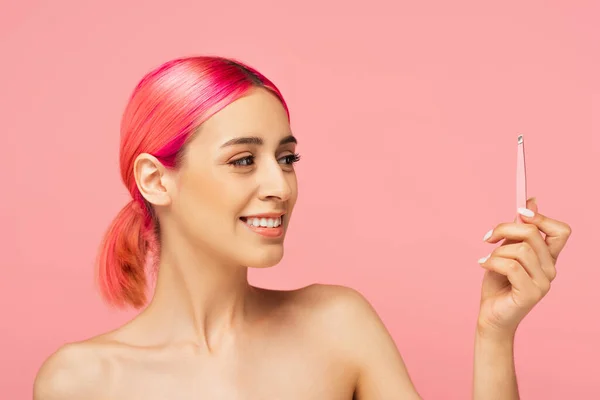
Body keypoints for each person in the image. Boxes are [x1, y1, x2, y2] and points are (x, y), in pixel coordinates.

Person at [33, 56, 572, 400]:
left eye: (286, 159)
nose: (281, 187)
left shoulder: (337, 325)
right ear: (155, 179)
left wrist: (494, 334)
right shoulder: (82, 381)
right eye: (244, 160)